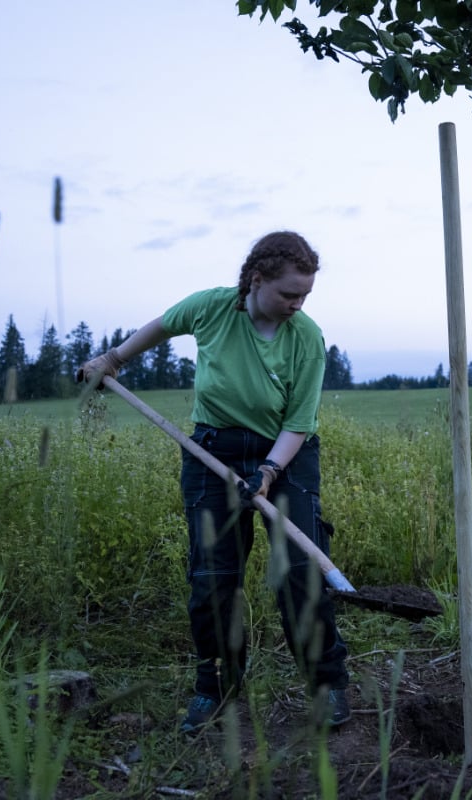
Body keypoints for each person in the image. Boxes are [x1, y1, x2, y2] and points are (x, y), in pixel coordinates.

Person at [78, 230, 351, 734]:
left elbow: (299, 421)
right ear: (256, 279)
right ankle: (216, 688)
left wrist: (268, 472)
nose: (298, 304)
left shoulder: (306, 338)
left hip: (287, 457)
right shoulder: (211, 308)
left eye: (305, 295)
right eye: (289, 293)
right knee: (212, 579)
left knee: (299, 569)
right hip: (211, 451)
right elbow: (162, 326)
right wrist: (114, 360)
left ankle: (327, 684)